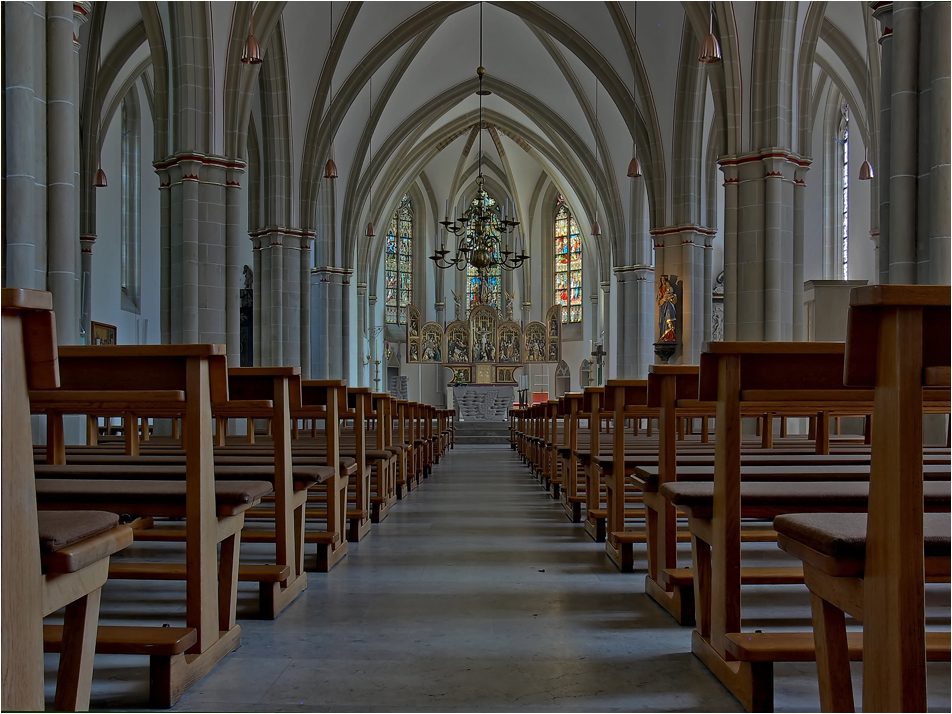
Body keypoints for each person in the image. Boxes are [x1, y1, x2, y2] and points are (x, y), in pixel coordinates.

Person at [657, 275, 678, 342]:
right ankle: (663, 335)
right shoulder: (661, 289)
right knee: (662, 321)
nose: (663, 282)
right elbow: (659, 300)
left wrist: (670, 297)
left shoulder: (670, 289)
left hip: (669, 306)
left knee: (669, 319)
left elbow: (674, 298)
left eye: (664, 280)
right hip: (663, 307)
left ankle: (670, 336)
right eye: (662, 280)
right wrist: (663, 299)